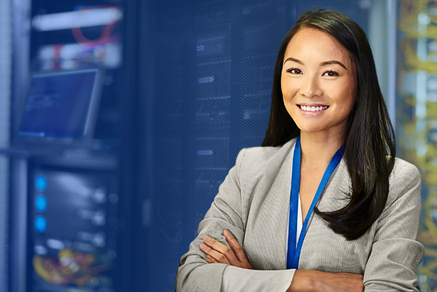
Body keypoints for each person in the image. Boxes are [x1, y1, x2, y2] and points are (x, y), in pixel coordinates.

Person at [176, 9, 424, 292]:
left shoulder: (395, 181)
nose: (309, 89)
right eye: (295, 70)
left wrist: (248, 281)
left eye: (330, 72)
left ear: (359, 83)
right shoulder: (249, 168)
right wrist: (307, 282)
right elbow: (191, 279)